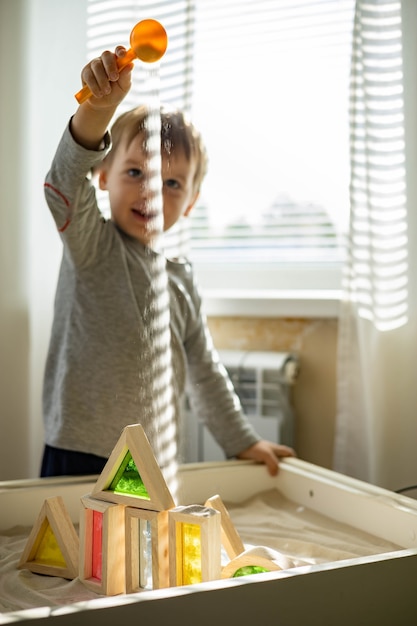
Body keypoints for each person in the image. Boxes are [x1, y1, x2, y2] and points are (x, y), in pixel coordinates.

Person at [40, 45, 295, 479]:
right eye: (136, 172)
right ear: (103, 175)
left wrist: (242, 441)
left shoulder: (181, 280)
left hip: (151, 459)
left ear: (192, 202)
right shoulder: (92, 246)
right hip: (80, 452)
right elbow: (62, 183)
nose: (152, 192)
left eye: (171, 182)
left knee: (143, 548)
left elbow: (205, 372)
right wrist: (97, 111)